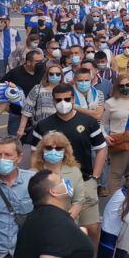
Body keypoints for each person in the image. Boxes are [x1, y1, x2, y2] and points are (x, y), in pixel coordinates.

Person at [28, 85, 106, 248]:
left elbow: (101, 148)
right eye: (59, 100)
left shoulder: (88, 122)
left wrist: (96, 177)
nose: (63, 103)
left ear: (73, 99)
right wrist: (36, 178)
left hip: (84, 181)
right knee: (59, 229)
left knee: (92, 228)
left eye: (67, 99)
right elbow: (34, 154)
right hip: (52, 186)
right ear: (53, 101)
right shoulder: (43, 125)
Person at [102, 72, 129, 193]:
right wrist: (106, 136)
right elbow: (102, 124)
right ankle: (114, 203)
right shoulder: (110, 103)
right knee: (116, 174)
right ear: (117, 87)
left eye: (127, 85)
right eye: (121, 86)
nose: (125, 88)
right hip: (119, 141)